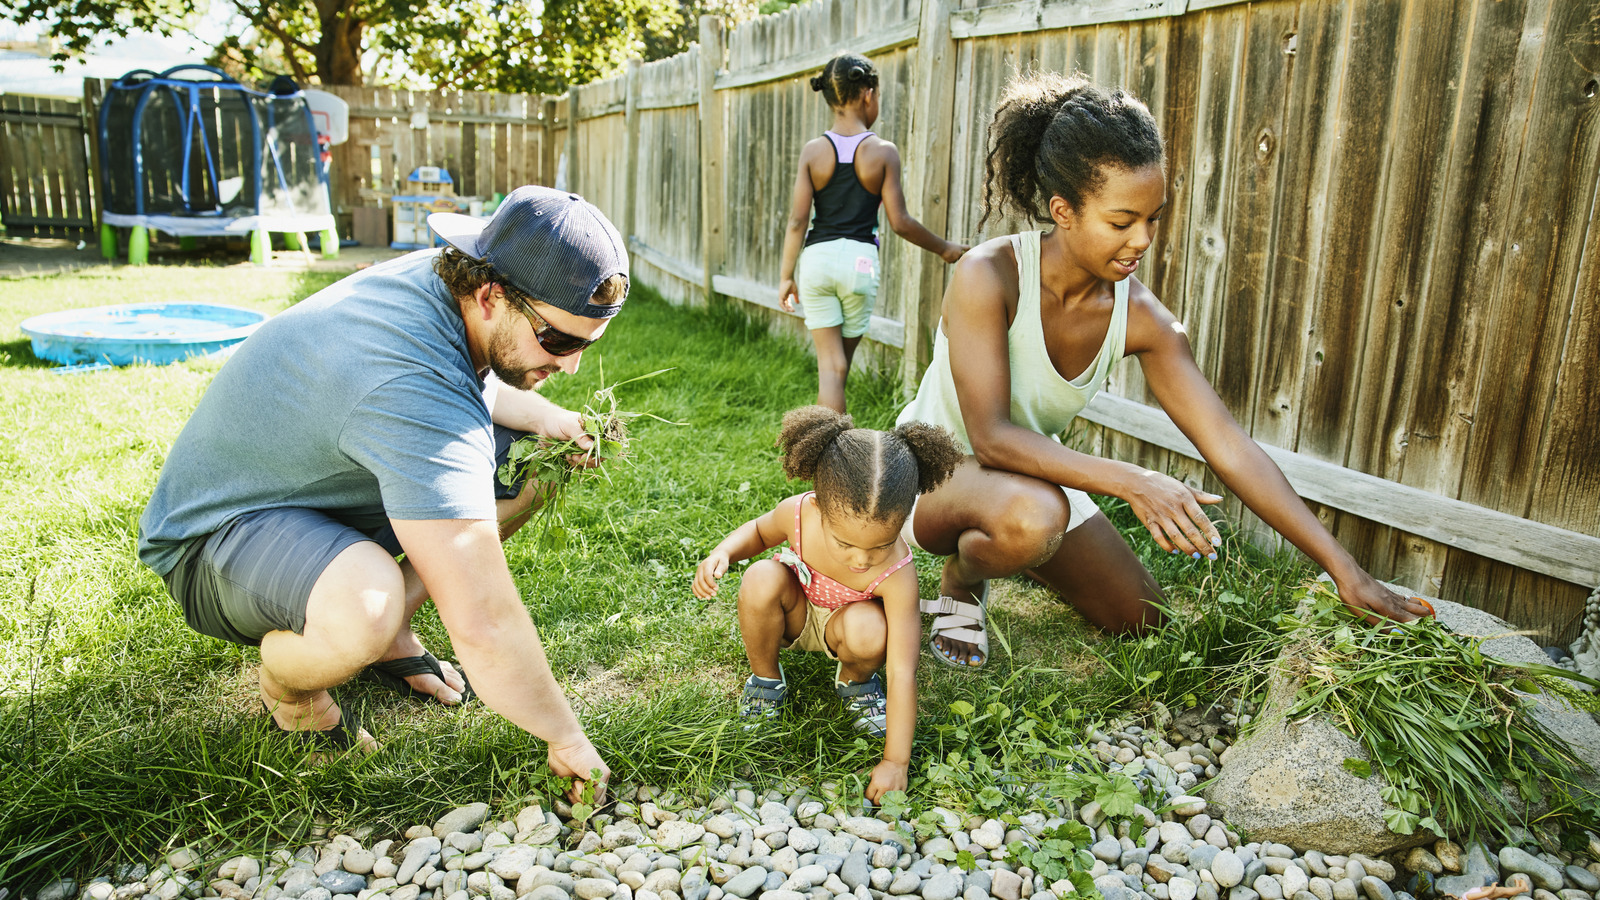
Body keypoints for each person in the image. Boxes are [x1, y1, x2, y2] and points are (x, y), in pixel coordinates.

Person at [896, 72, 1432, 669]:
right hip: (931, 473)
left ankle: (1014, 543)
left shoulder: (1143, 319)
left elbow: (1229, 445)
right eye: (1121, 221)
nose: (1143, 239)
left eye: (1153, 218)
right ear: (1063, 211)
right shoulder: (988, 275)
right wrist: (1135, 481)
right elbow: (992, 437)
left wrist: (1343, 568)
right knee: (1036, 518)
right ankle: (966, 578)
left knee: (1142, 617)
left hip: (1030, 481)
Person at [137, 185, 622, 799]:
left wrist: (549, 419)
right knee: (365, 604)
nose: (571, 364)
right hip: (213, 538)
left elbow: (471, 382)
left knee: (536, 465)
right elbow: (484, 620)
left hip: (312, 485)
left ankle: (391, 635)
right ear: (491, 295)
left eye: (585, 344)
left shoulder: (451, 288)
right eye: (558, 341)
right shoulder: (409, 384)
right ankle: (292, 692)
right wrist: (566, 737)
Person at [692, 406, 962, 801]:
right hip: (796, 614)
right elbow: (759, 532)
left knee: (870, 629)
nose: (861, 559)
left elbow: (902, 670)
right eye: (844, 543)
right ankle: (765, 682)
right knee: (760, 577)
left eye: (881, 545)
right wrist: (724, 552)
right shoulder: (798, 513)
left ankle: (856, 683)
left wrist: (895, 762)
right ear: (818, 508)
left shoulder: (898, 573)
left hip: (848, 628)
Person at [778, 53, 969, 414]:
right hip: (859, 264)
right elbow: (901, 222)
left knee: (830, 370)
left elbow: (797, 222)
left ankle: (822, 445)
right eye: (877, 95)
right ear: (868, 94)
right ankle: (836, 447)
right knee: (839, 369)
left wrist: (786, 276)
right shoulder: (882, 152)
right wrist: (944, 248)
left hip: (817, 262)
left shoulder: (813, 152)